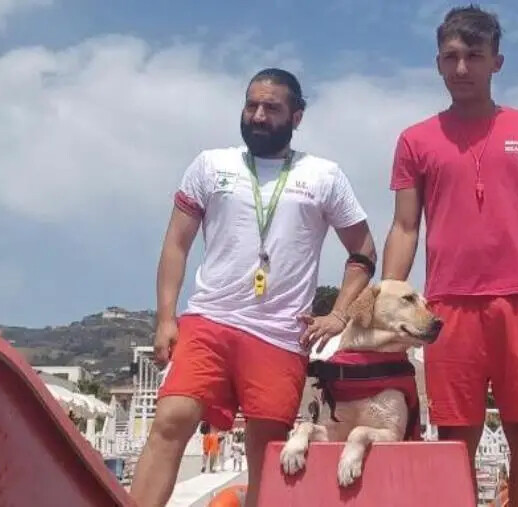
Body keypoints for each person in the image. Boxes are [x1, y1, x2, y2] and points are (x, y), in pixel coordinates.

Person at [130, 68, 376, 507]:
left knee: (267, 448)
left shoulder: (324, 175)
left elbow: (363, 252)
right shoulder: (210, 165)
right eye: (251, 105)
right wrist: (166, 317)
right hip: (210, 318)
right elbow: (176, 242)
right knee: (170, 419)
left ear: (297, 117)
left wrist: (338, 315)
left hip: (279, 333)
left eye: (272, 108)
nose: (258, 115)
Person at [381, 6, 518, 507]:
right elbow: (405, 225)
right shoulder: (415, 139)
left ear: (497, 61)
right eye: (451, 57)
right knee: (455, 438)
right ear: (437, 63)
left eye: (474, 56)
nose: (461, 69)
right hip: (449, 308)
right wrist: (387, 301)